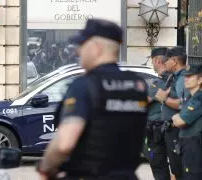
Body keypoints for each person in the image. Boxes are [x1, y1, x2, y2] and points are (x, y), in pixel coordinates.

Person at [36, 19, 148, 180]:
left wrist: (46, 166)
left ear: (96, 48)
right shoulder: (138, 85)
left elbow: (65, 143)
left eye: (82, 45)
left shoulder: (85, 85)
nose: (77, 51)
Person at [172, 64, 202, 180]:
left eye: (190, 76)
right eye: (186, 76)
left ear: (200, 79)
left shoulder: (199, 98)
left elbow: (180, 121)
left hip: (194, 146)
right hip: (188, 146)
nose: (186, 78)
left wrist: (176, 117)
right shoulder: (192, 98)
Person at [155, 46, 190, 179]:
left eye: (167, 60)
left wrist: (165, 99)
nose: (165, 62)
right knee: (176, 168)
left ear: (174, 61)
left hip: (178, 130)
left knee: (180, 169)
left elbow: (185, 104)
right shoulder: (175, 77)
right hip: (172, 129)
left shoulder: (182, 79)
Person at [144, 47, 171, 180]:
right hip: (170, 129)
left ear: (157, 60)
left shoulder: (159, 83)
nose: (152, 64)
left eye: (152, 61)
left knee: (158, 166)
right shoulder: (174, 80)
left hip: (157, 130)